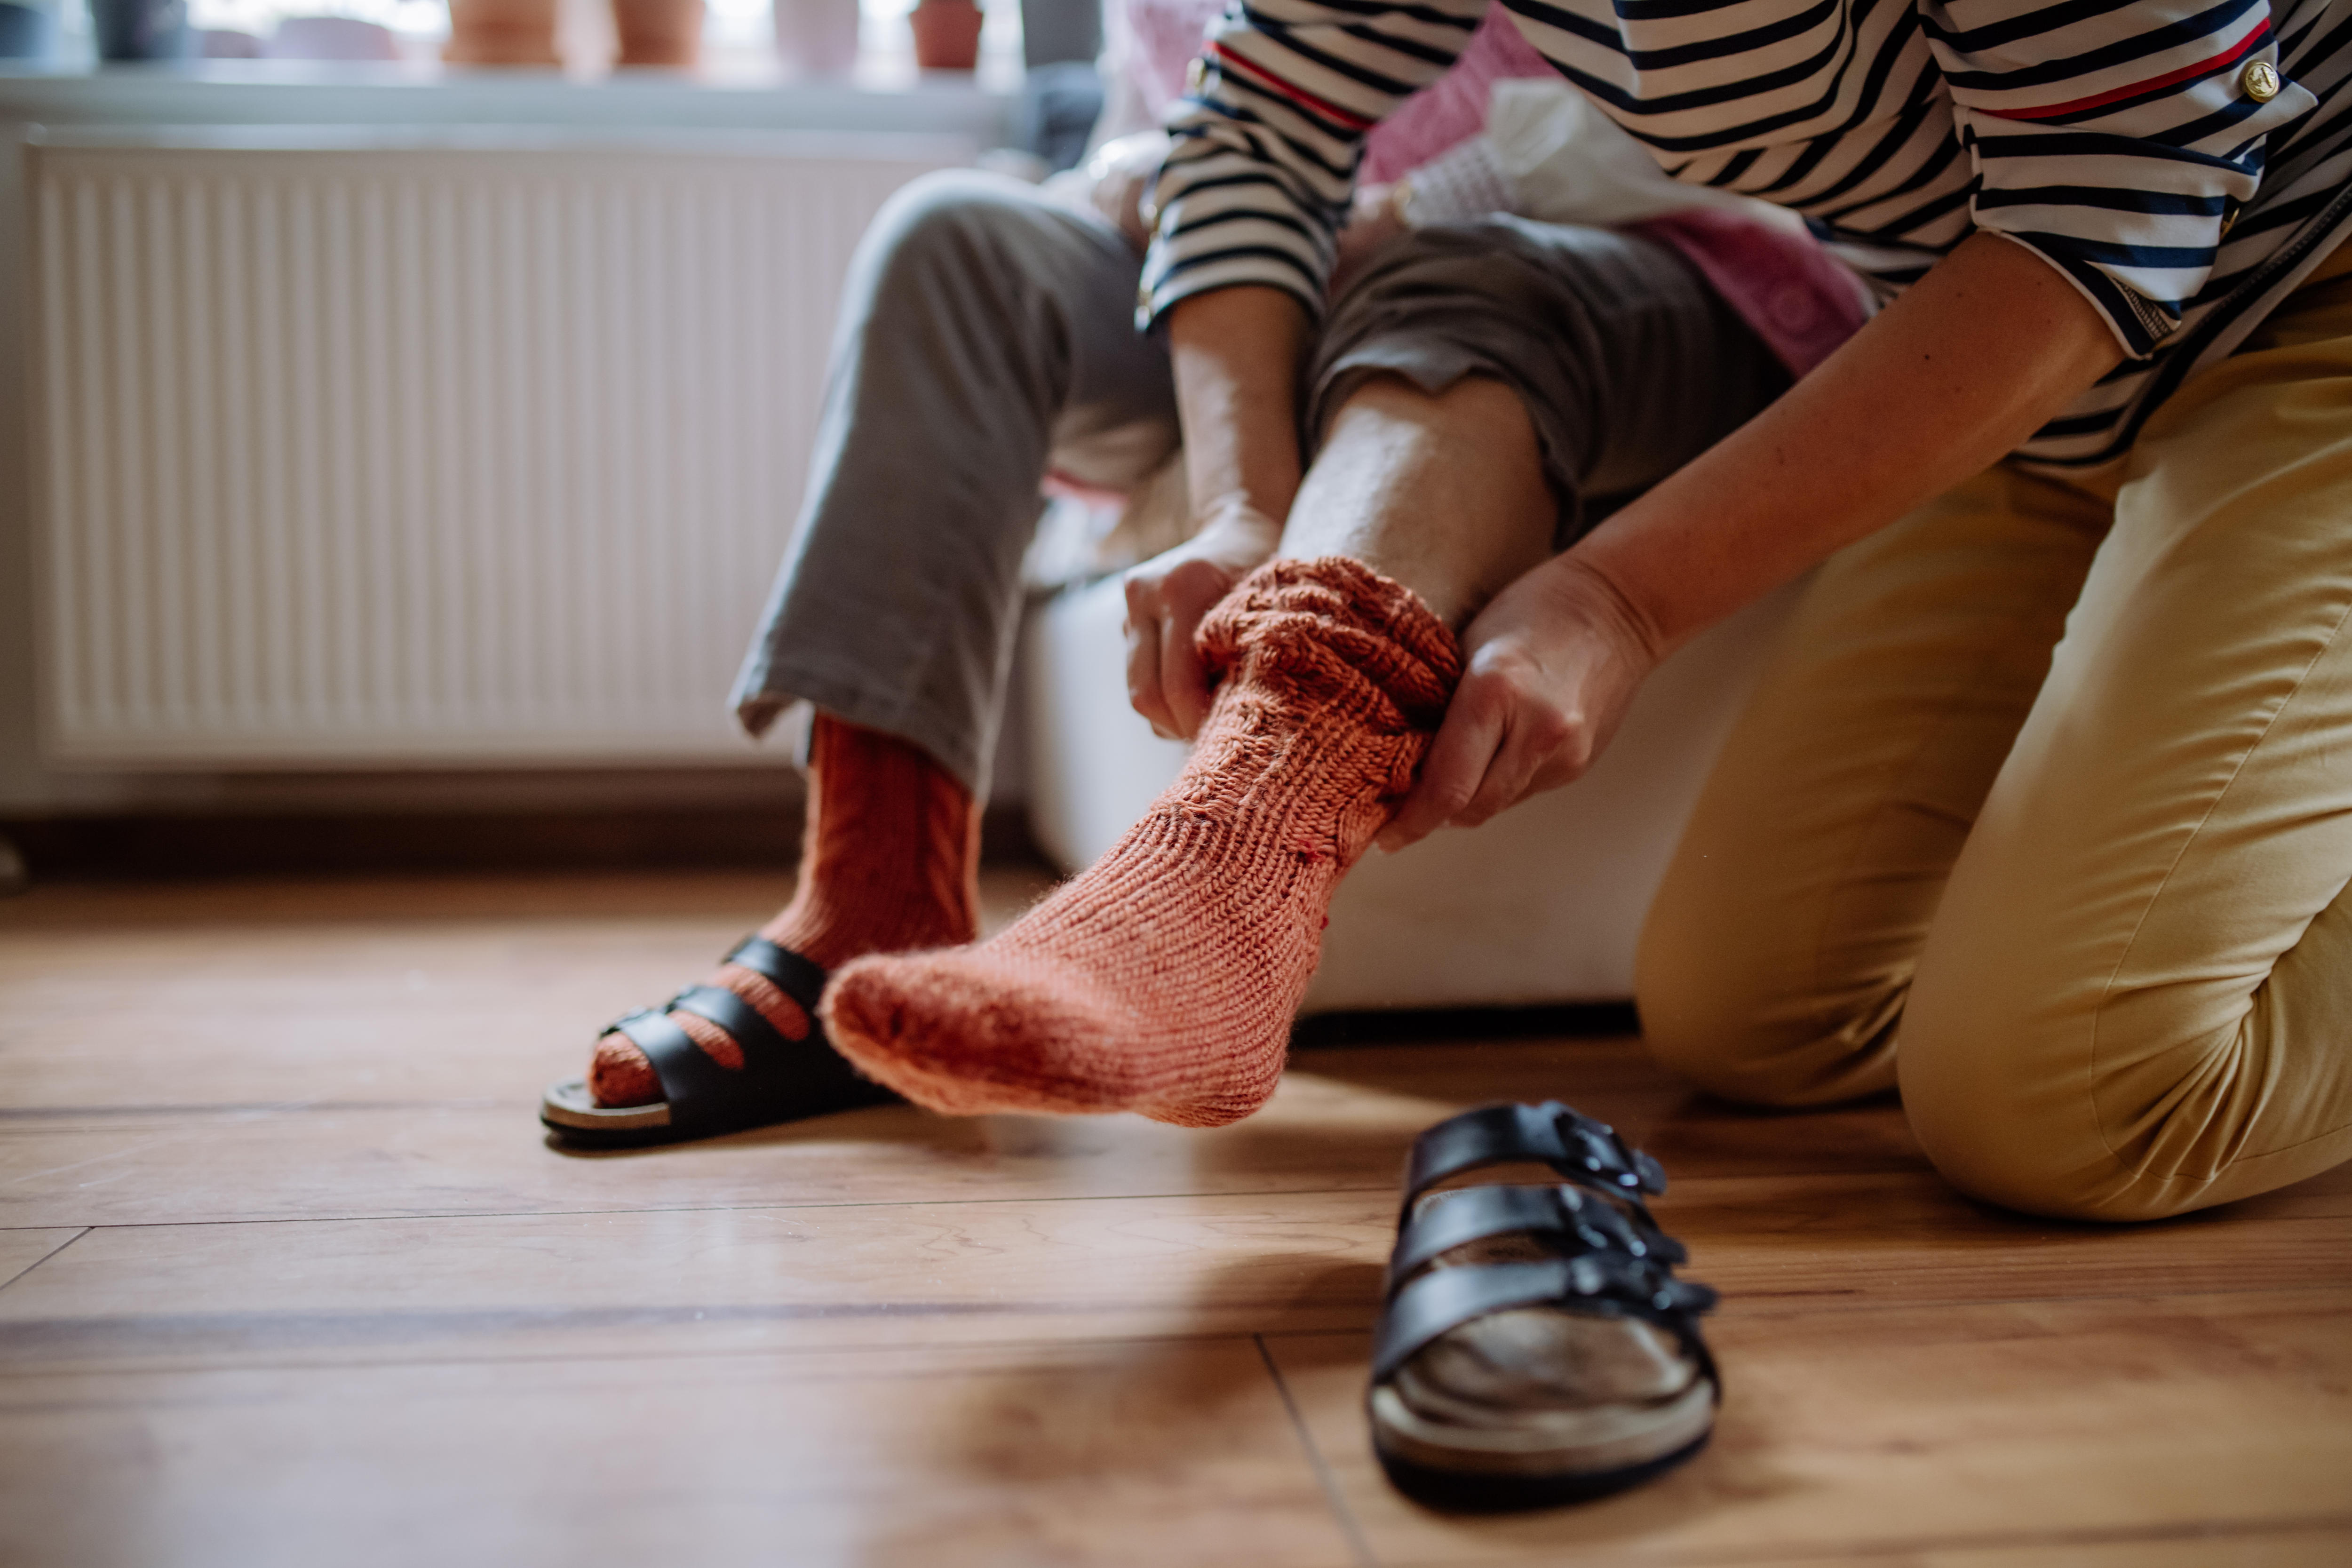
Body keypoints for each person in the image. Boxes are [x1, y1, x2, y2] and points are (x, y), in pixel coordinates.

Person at [549, 0, 2352, 1230]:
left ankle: (1219, 874)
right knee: (1748, 1025)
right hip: (2054, 396)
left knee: (2059, 1105)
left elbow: (2110, 211)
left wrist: (1620, 596)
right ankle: (977, 890)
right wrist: (1246, 508)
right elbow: (1257, 117)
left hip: (2290, 309)